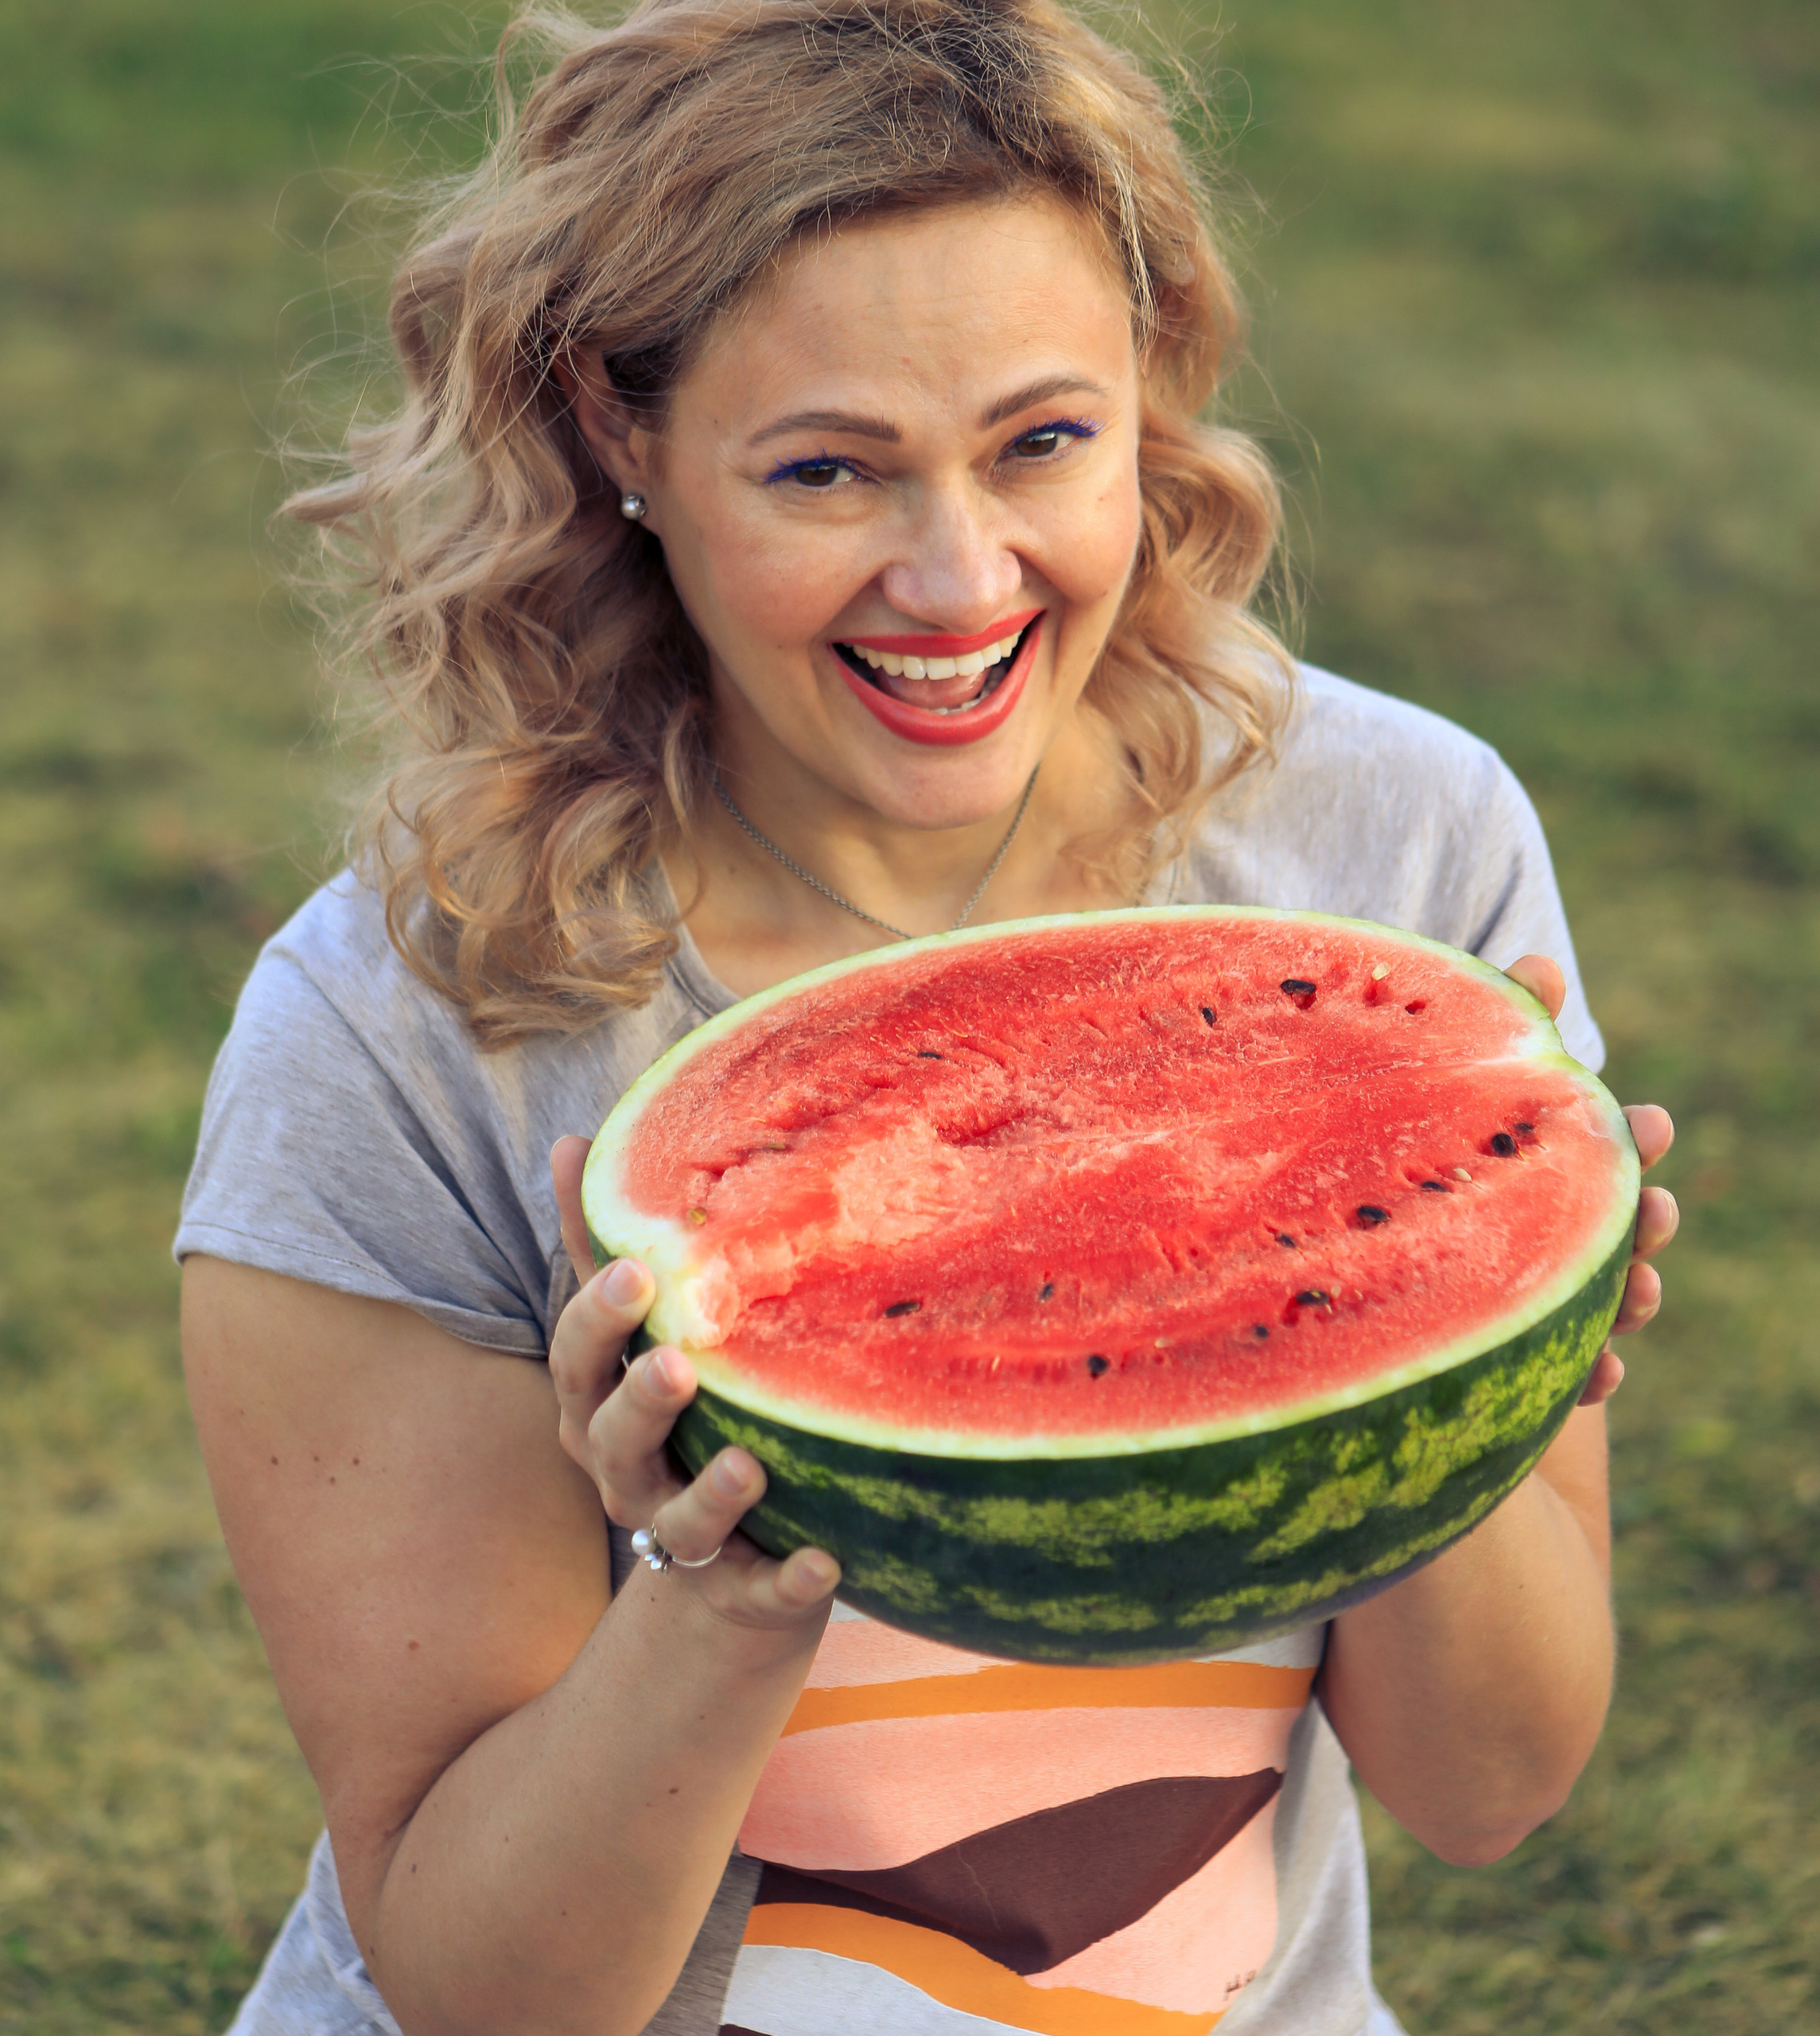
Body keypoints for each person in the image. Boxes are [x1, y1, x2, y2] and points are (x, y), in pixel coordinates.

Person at [175, 0, 1680, 2030]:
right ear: (618, 434)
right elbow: (477, 1990)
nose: (956, 577)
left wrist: (1476, 1364)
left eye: (1043, 441)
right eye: (828, 471)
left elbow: (1488, 1788)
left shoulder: (1395, 843)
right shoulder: (397, 1030)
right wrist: (707, 1596)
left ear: (1147, 387)